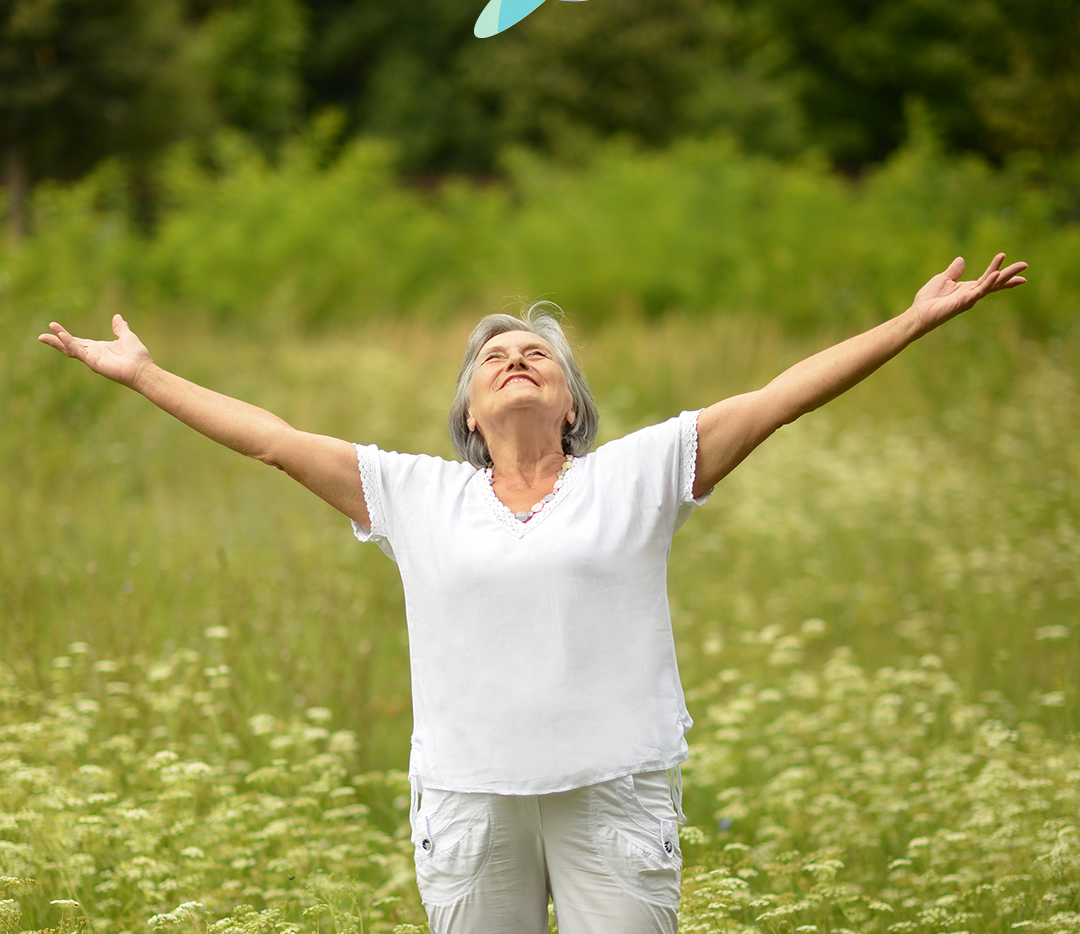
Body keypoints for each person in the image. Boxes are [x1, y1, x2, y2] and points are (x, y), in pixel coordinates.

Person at [39, 253, 1027, 934]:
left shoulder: (638, 475)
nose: (514, 360)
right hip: (471, 806)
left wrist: (912, 320)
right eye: (492, 360)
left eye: (537, 356)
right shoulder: (415, 494)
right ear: (471, 411)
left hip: (615, 797)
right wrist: (145, 376)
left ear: (568, 403)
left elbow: (781, 395)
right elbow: (270, 437)